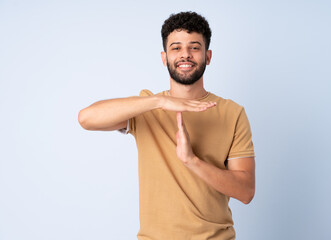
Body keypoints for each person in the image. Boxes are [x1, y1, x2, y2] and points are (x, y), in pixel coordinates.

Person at [78, 11, 255, 240]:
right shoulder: (146, 108)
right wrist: (159, 101)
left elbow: (246, 191)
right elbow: (86, 118)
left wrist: (192, 161)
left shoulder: (233, 113)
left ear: (207, 56)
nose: (185, 55)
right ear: (164, 57)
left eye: (194, 47)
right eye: (176, 48)